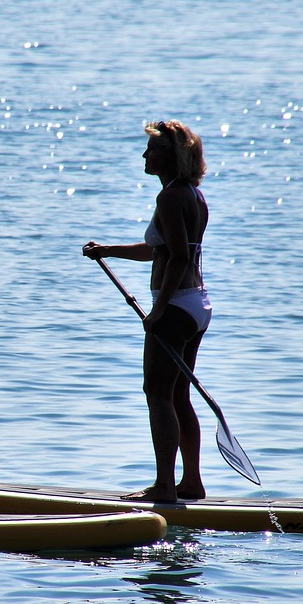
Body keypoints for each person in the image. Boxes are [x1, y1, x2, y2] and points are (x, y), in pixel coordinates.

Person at [82, 120, 212, 501]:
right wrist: (108, 250)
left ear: (170, 157)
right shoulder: (191, 194)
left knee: (157, 393)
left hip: (175, 307)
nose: (144, 155)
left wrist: (159, 309)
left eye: (152, 149)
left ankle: (164, 487)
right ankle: (191, 483)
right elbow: (160, 250)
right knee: (178, 396)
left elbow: (178, 257)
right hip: (197, 306)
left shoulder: (170, 198)